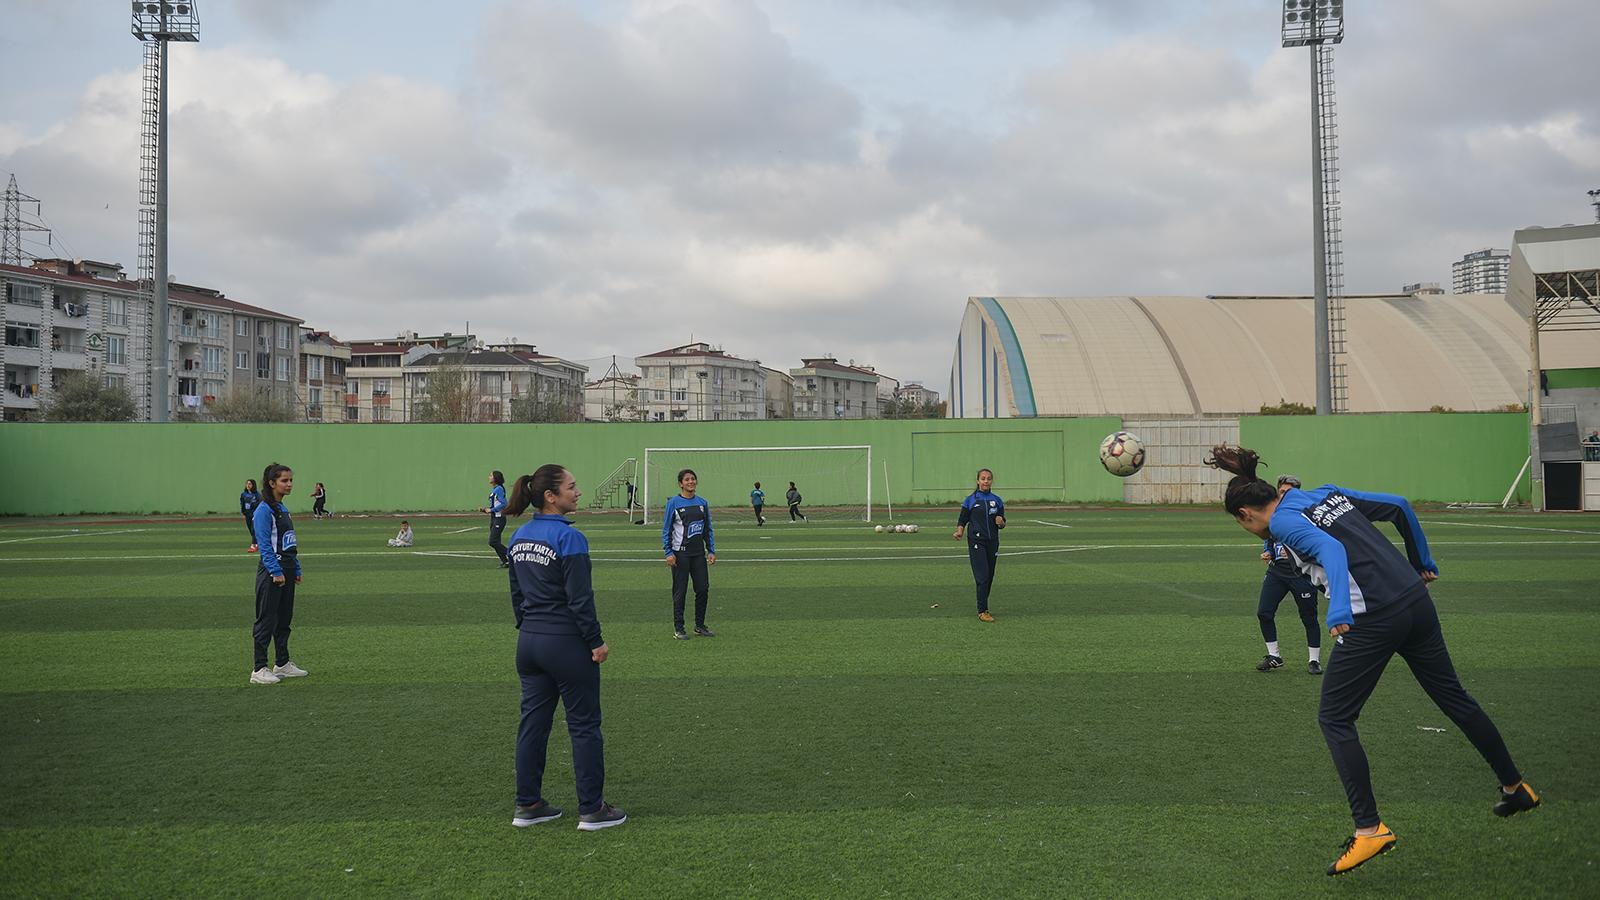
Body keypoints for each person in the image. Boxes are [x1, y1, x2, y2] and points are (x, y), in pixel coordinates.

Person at [1205, 445, 1539, 876]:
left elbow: (1334, 554)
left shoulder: (1284, 522)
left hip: (1373, 617)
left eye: (1243, 526)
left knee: (1335, 718)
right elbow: (1399, 506)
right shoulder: (1321, 493)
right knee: (1454, 697)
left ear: (1245, 515)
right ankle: (1517, 788)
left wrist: (1340, 610)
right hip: (1415, 600)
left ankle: (1370, 830)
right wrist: (1423, 562)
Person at [506, 464, 626, 831]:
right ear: (550, 496)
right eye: (572, 487)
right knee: (585, 727)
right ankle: (592, 809)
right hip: (566, 644)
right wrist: (596, 641)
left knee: (533, 725)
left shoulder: (519, 537)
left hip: (529, 644)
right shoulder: (571, 538)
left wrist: (529, 629)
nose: (578, 492)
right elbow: (580, 601)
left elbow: (516, 595)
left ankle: (527, 804)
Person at [1255, 474, 1323, 675]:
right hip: (1276, 572)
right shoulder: (1274, 514)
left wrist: (1297, 554)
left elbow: (1318, 543)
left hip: (1301, 574)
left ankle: (1314, 660)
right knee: (1264, 612)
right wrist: (1268, 551)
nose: (1284, 495)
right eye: (1282, 491)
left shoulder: (1308, 514)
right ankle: (1274, 656)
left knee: (1309, 617)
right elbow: (1269, 537)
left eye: (1289, 492)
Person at [250, 463, 307, 685]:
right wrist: (275, 570)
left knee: (284, 619)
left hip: (288, 570)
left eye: (291, 480)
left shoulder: (283, 509)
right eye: (284, 480)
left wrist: (297, 568)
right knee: (266, 619)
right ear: (271, 483)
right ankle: (258, 668)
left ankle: (282, 663)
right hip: (272, 572)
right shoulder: (264, 510)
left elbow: (288, 543)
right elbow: (265, 545)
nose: (289, 484)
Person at [662, 468, 716, 640]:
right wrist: (669, 552)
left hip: (699, 554)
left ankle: (700, 626)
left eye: (693, 479)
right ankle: (679, 628)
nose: (691, 482)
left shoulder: (702, 503)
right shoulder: (674, 503)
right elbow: (666, 530)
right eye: (687, 480)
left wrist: (711, 550)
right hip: (680, 555)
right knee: (680, 591)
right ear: (681, 484)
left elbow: (708, 529)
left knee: (703, 589)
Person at [952, 468, 1005, 622]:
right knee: (982, 576)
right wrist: (959, 531)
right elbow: (962, 519)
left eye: (988, 479)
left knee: (989, 576)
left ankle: (983, 605)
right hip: (976, 541)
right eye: (983, 478)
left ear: (991, 481)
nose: (986, 481)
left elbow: (1002, 523)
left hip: (993, 542)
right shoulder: (970, 500)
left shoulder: (998, 500)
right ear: (978, 481)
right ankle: (982, 610)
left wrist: (1001, 523)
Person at [482, 470, 510, 568]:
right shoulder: (495, 489)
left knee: (492, 541)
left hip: (499, 518)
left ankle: (511, 555)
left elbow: (504, 503)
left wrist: (492, 510)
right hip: (494, 518)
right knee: (496, 542)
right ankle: (505, 562)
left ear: (496, 478)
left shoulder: (499, 489)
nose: (489, 477)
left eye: (491, 475)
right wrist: (486, 510)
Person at [240, 479, 261, 553]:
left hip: (255, 514)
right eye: (247, 484)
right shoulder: (244, 494)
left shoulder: (257, 495)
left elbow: (259, 504)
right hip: (247, 514)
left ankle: (253, 545)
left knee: (253, 529)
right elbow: (242, 503)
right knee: (250, 529)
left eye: (250, 484)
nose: (248, 485)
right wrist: (243, 511)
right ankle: (258, 543)